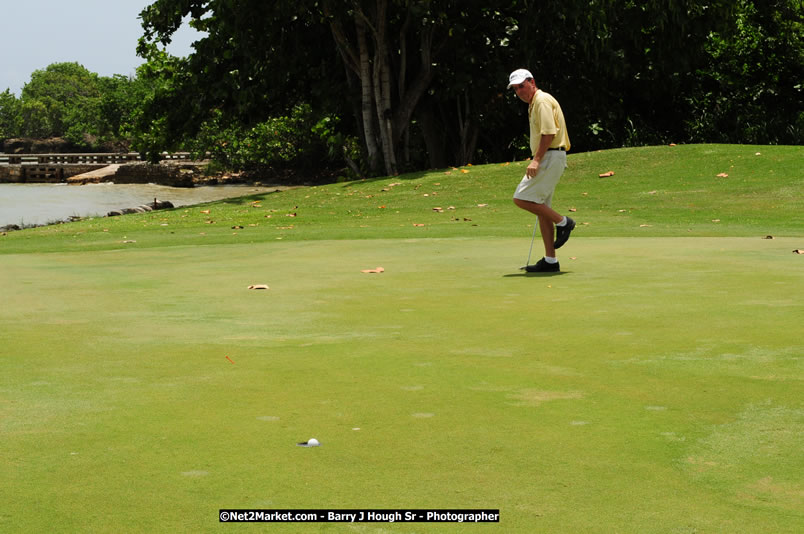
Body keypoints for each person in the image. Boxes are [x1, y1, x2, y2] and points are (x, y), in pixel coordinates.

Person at [507, 68, 574, 272]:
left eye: (522, 86)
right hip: (551, 156)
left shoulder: (542, 101)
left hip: (550, 156)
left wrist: (536, 160)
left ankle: (564, 222)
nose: (520, 91)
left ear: (532, 82)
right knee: (541, 207)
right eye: (516, 88)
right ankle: (550, 261)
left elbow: (548, 133)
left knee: (521, 198)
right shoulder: (535, 102)